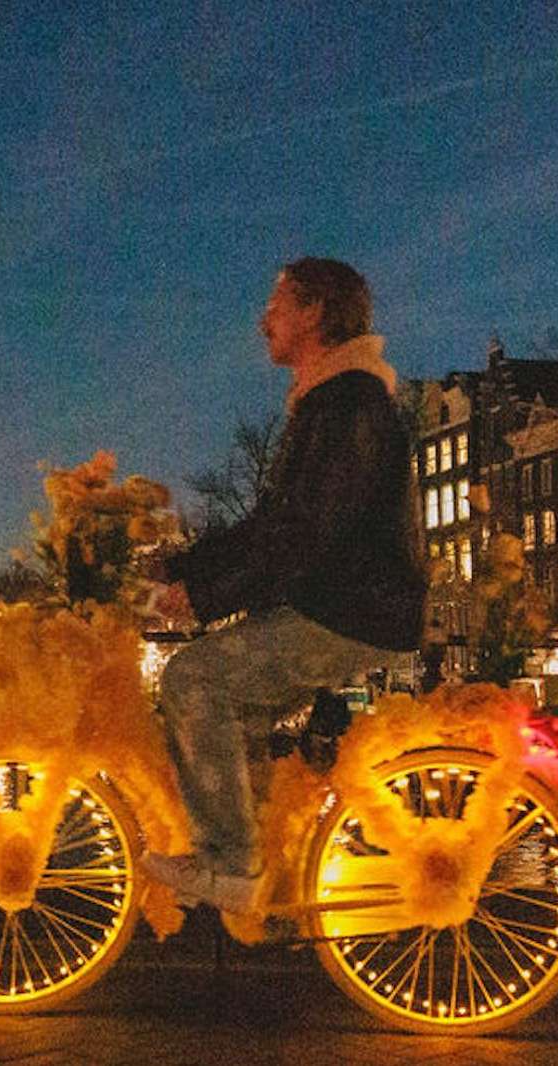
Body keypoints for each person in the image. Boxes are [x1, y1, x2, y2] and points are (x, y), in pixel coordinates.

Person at [141, 257, 428, 914]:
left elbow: (305, 532)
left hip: (355, 612)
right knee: (230, 712)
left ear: (315, 313)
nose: (262, 319)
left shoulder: (350, 405)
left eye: (276, 305)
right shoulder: (330, 402)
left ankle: (230, 865)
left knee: (193, 680)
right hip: (345, 604)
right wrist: (185, 568)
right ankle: (271, 876)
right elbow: (274, 523)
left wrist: (207, 597)